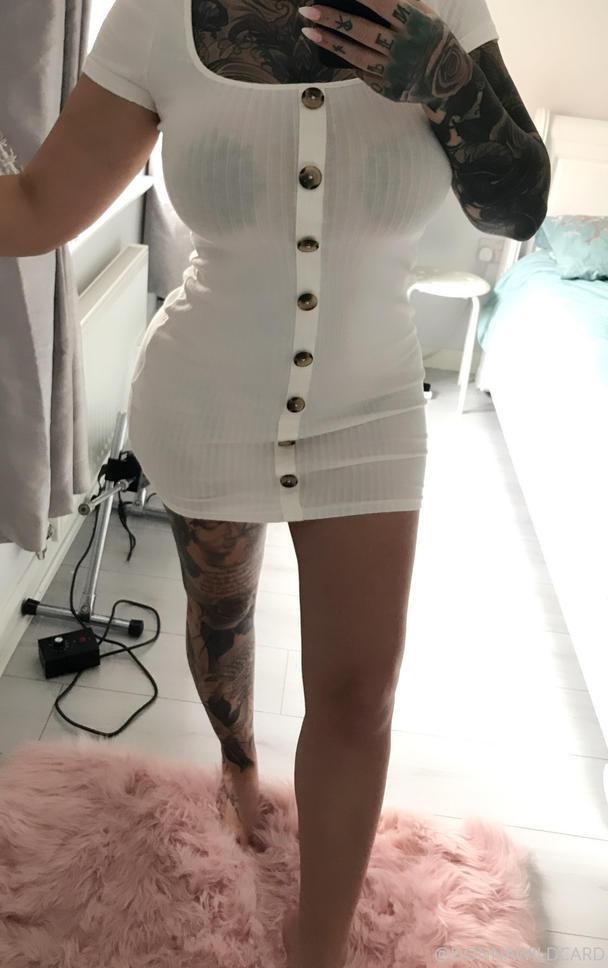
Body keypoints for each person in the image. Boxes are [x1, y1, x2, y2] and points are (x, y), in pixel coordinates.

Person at [1, 0, 548, 963]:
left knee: (360, 696)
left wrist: (449, 83)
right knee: (222, 615)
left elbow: (518, 209)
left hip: (371, 410)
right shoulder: (159, 19)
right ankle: (238, 762)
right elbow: (38, 210)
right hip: (205, 403)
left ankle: (318, 946)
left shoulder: (443, 10)